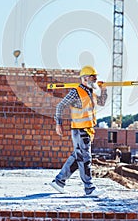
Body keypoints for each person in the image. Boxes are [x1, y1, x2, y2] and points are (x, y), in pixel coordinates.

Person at [50, 65, 107, 197]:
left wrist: (103, 90)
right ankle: (89, 188)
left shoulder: (90, 92)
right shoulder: (76, 92)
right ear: (85, 78)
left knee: (78, 157)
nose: (96, 80)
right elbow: (60, 106)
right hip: (80, 130)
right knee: (85, 158)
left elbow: (102, 102)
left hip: (87, 130)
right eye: (94, 77)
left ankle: (59, 181)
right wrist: (58, 124)